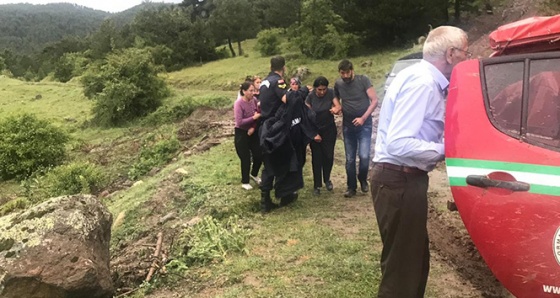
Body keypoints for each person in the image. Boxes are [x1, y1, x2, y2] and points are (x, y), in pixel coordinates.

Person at [371, 26, 469, 298]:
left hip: (401, 180)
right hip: (399, 180)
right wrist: (447, 149)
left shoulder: (417, 77)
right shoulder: (423, 84)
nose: (467, 58)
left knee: (411, 263)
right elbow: (399, 143)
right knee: (403, 272)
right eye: (465, 53)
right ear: (451, 54)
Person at [334, 59, 378, 198]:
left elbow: (375, 100)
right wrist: (338, 106)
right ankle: (351, 187)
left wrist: (363, 118)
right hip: (347, 125)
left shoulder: (363, 80)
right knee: (350, 158)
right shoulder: (338, 84)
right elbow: (335, 96)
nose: (345, 76)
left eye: (347, 72)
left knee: (364, 156)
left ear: (352, 70)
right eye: (342, 73)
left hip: (364, 124)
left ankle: (363, 178)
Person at [258, 56, 291, 213]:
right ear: (283, 67)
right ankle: (284, 195)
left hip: (264, 126)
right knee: (283, 160)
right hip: (277, 126)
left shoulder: (264, 82)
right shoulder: (279, 81)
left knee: (268, 162)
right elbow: (286, 99)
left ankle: (265, 200)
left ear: (270, 66)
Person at [305, 76, 341, 196]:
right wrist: (313, 134)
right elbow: (307, 116)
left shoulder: (330, 92)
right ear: (315, 88)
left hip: (329, 129)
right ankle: (317, 185)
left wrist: (335, 109)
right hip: (315, 129)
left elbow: (338, 106)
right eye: (319, 89)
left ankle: (327, 178)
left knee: (328, 156)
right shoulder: (310, 97)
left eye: (323, 89)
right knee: (317, 158)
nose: (321, 92)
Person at [233, 81, 262, 190]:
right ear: (244, 91)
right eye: (250, 91)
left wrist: (253, 127)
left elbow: (257, 115)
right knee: (245, 158)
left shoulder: (254, 101)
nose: (253, 93)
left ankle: (254, 174)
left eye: (253, 90)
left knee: (259, 154)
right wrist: (253, 118)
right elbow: (239, 122)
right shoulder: (238, 103)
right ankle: (245, 181)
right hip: (241, 132)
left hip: (253, 131)